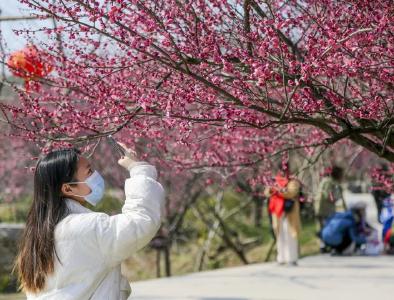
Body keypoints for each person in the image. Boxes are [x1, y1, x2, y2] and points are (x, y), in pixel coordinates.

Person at [14, 146, 165, 299]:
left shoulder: (36, 236)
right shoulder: (87, 227)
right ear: (68, 188)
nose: (96, 176)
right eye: (89, 172)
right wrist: (138, 170)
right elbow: (140, 222)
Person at [264, 161, 301, 266]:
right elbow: (267, 192)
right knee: (280, 234)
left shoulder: (293, 180)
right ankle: (281, 258)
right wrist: (276, 190)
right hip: (277, 211)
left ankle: (292, 258)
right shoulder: (274, 180)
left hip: (290, 211)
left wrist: (277, 191)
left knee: (290, 234)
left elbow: (291, 192)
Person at [314, 166, 346, 252]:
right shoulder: (330, 182)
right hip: (324, 209)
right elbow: (328, 195)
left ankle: (324, 245)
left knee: (324, 227)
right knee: (325, 228)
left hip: (324, 208)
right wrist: (337, 196)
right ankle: (324, 246)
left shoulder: (329, 181)